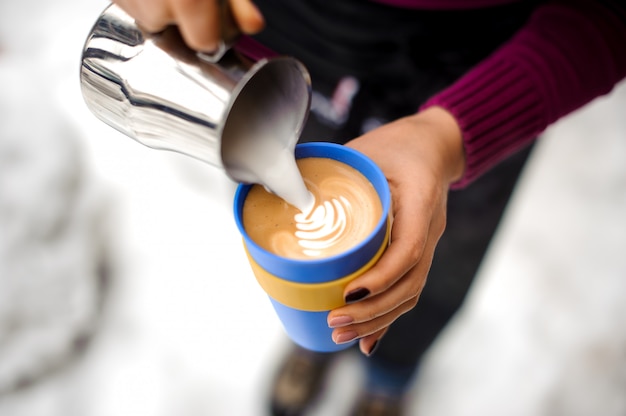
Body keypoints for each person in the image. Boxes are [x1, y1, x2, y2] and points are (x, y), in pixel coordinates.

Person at [110, 0, 626, 414]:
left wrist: (451, 137)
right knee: (295, 256)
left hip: (483, 75)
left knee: (439, 262)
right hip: (273, 69)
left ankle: (391, 376)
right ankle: (316, 345)